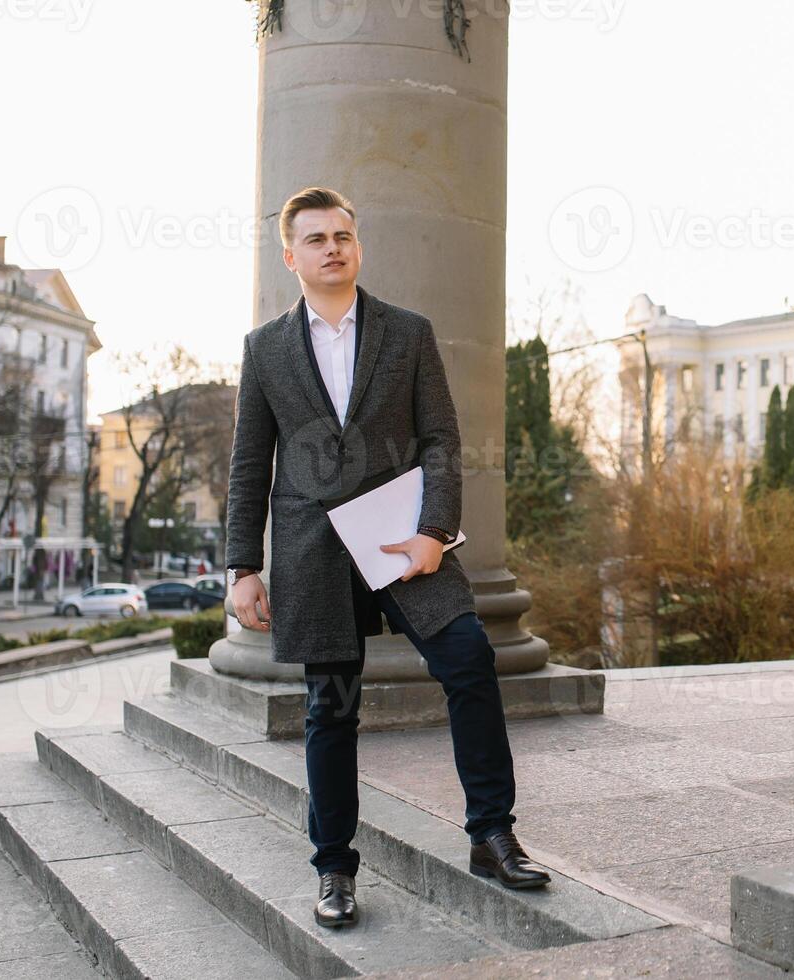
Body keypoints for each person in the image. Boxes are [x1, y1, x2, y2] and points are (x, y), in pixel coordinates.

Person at [224, 187, 550, 931]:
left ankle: (490, 834)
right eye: (315, 238)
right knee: (329, 710)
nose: (332, 247)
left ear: (357, 246)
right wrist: (244, 566)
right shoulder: (264, 349)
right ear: (291, 256)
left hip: (405, 541)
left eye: (343, 234)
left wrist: (436, 530)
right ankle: (334, 867)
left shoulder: (407, 333)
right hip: (312, 551)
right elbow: (250, 463)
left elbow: (440, 437)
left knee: (468, 659)